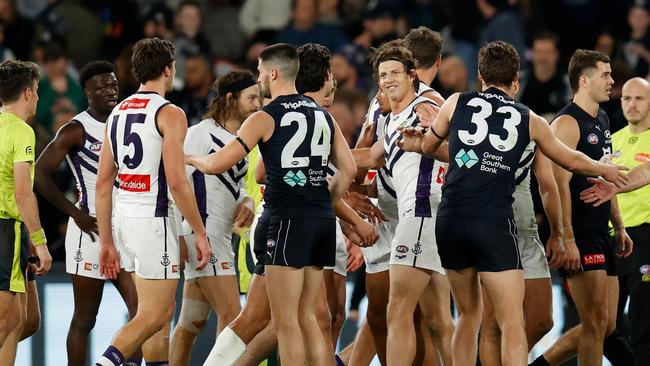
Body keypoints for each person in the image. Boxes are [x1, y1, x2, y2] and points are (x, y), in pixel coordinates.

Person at [397, 41, 629, 366]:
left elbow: (432, 144)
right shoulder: (530, 119)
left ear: (480, 75)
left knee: (468, 315)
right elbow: (570, 159)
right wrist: (603, 168)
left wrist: (415, 142)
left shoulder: (454, 102)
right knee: (510, 324)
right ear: (516, 80)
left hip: (450, 220)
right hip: (493, 222)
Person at [186, 43, 359, 366]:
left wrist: (186, 156)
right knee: (312, 319)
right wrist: (323, 200)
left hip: (286, 220)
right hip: (321, 220)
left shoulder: (265, 117)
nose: (259, 79)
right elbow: (348, 169)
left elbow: (216, 164)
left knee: (287, 321)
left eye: (261, 72)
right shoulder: (323, 115)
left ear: (274, 73)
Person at [94, 37, 211, 366]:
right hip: (153, 219)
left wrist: (106, 240)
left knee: (157, 315)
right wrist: (199, 232)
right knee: (155, 313)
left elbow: (103, 182)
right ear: (168, 69)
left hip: (124, 219)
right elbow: (176, 181)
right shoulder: (169, 112)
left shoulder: (117, 111)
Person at [531, 49, 635, 366]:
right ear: (584, 80)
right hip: (579, 233)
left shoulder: (602, 120)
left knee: (607, 325)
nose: (611, 80)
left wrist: (618, 225)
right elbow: (557, 183)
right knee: (594, 323)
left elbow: (606, 176)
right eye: (605, 75)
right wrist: (566, 236)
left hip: (600, 230)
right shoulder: (566, 122)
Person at [34, 61, 140, 366]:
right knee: (85, 318)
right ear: (87, 93)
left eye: (114, 86)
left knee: (141, 312)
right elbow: (40, 175)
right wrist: (75, 214)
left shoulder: (126, 121)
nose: (110, 91)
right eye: (102, 87)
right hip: (90, 229)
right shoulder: (75, 129)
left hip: (125, 228)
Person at [352, 45, 450, 366]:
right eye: (383, 75)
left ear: (411, 76)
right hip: (425, 216)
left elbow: (456, 146)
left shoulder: (426, 105)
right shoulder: (393, 120)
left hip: (422, 211)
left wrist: (433, 136)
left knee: (398, 311)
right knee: (437, 321)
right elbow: (368, 157)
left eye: (396, 73)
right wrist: (321, 155)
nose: (389, 79)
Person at [169, 70, 259, 366]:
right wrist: (181, 231)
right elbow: (175, 183)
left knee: (190, 325)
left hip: (218, 237)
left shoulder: (240, 142)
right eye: (252, 97)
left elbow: (235, 188)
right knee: (234, 318)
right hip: (204, 238)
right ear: (230, 99)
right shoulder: (199, 133)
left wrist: (246, 200)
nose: (258, 104)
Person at [580, 77, 650, 366]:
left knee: (643, 326)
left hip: (646, 238)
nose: (631, 104)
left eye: (639, 99)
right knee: (605, 326)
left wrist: (614, 185)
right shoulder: (614, 140)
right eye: (626, 99)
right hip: (614, 237)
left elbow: (644, 173)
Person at [0, 59, 52, 361]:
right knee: (7, 324)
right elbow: (23, 192)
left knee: (26, 321)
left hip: (14, 234)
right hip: (6, 231)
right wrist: (41, 243)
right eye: (38, 90)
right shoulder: (21, 132)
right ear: (29, 92)